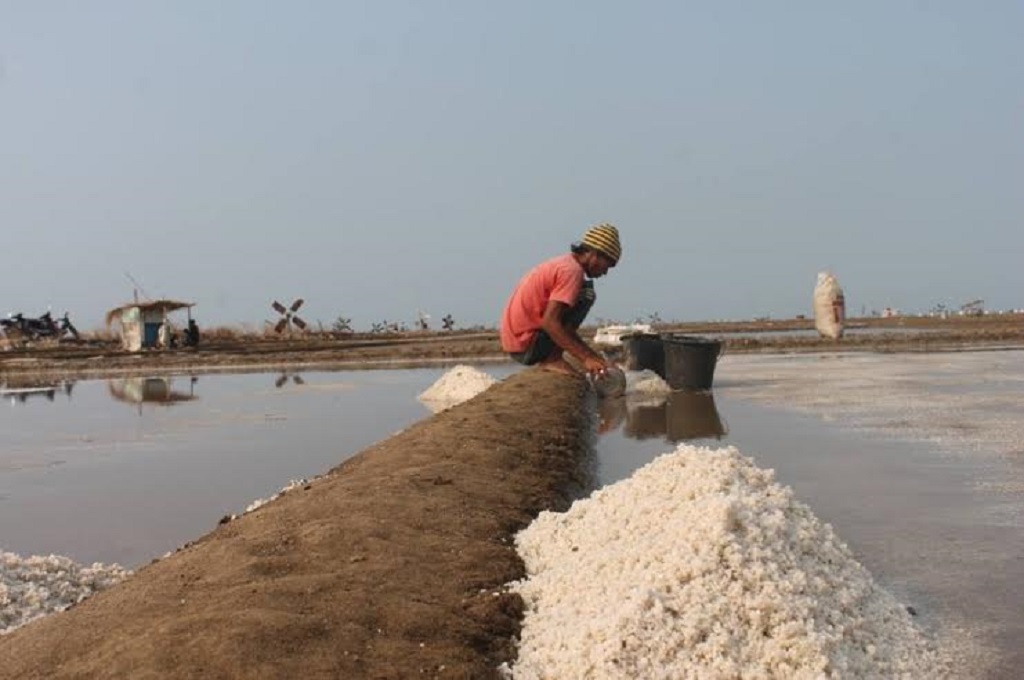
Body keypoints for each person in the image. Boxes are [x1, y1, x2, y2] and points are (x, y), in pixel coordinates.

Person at [500, 222, 622, 376]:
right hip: (527, 346)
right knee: (586, 295)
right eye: (607, 265)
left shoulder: (565, 264)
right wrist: (586, 359)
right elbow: (550, 322)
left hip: (519, 343)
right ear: (594, 254)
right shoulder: (572, 272)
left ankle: (553, 356)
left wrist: (594, 358)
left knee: (584, 292)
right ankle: (552, 358)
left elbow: (563, 327)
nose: (605, 272)